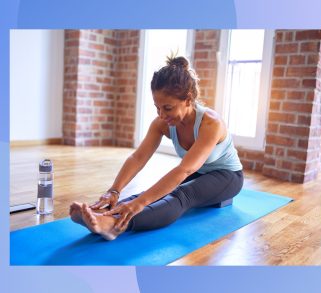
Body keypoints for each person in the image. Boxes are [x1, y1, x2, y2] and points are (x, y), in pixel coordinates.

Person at [69, 55, 243, 241]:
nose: (162, 114)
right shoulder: (161, 123)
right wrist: (114, 191)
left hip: (227, 176)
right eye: (157, 107)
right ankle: (103, 215)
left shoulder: (210, 124)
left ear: (188, 99)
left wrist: (139, 204)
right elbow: (138, 158)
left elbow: (185, 169)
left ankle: (113, 225)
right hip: (200, 174)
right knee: (146, 194)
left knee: (181, 194)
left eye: (168, 108)